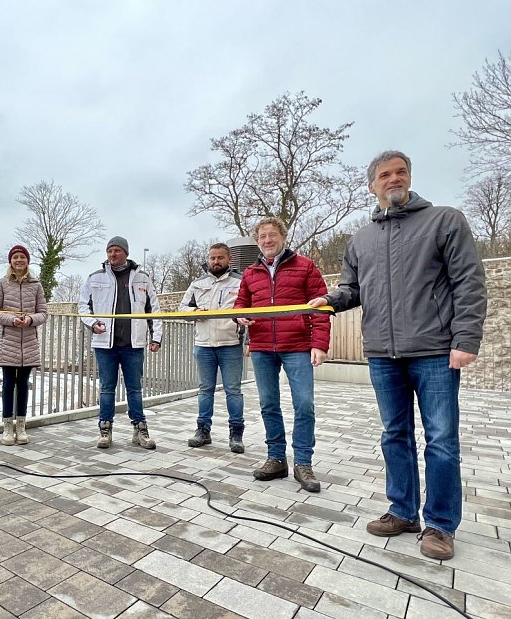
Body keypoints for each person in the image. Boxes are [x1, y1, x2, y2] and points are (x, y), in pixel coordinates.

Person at [309, 151, 486, 560]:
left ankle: (440, 525)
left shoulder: (444, 220)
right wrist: (330, 300)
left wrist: (466, 340)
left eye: (400, 172)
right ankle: (403, 511)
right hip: (383, 355)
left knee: (441, 440)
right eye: (384, 175)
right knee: (394, 434)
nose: (393, 179)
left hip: (435, 351)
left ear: (410, 177)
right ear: (372, 185)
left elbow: (469, 283)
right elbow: (353, 289)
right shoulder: (361, 238)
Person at [235, 217, 330, 493]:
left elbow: (321, 307)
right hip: (263, 346)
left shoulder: (305, 266)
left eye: (272, 235)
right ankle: (276, 458)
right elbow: (241, 304)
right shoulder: (250, 273)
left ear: (283, 237)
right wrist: (240, 317)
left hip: (298, 346)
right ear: (257, 241)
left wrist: (319, 343)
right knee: (268, 405)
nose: (267, 240)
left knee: (304, 405)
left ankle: (303, 463)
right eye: (262, 236)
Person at [79, 236, 162, 449]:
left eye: (116, 250)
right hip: (105, 344)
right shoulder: (95, 277)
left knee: (134, 388)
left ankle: (140, 430)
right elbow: (82, 307)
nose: (112, 254)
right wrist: (92, 323)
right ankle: (105, 430)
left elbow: (153, 309)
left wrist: (156, 337)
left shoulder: (142, 278)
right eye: (109, 251)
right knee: (107, 388)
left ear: (125, 252)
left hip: (133, 344)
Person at [178, 242, 246, 452]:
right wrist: (195, 312)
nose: (216, 262)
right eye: (212, 258)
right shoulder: (197, 283)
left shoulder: (240, 282)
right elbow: (182, 308)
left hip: (231, 344)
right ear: (208, 259)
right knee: (205, 390)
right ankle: (203, 430)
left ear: (229, 259)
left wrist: (249, 339)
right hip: (203, 345)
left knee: (233, 391)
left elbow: (251, 311)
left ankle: (236, 434)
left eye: (220, 258)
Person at [0, 244, 48, 445]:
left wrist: (30, 320)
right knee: (7, 384)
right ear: (10, 261)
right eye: (15, 257)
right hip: (8, 342)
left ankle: (21, 426)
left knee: (23, 385)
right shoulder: (2, 284)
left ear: (27, 261)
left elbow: (43, 313)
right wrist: (12, 319)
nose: (19, 260)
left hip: (29, 343)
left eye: (22, 257)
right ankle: (7, 426)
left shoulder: (36, 285)